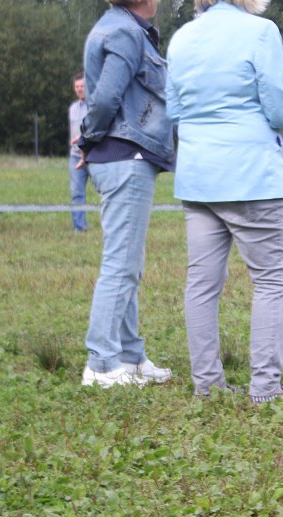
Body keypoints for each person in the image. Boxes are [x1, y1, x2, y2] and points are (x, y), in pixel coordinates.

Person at [166, 0, 283, 403]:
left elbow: (174, 110)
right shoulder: (260, 32)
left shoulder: (182, 38)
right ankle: (265, 389)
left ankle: (207, 387)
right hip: (250, 177)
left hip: (197, 177)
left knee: (202, 285)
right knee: (272, 278)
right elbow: (280, 111)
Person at [79, 0, 175, 388]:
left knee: (128, 263)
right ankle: (101, 364)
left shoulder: (121, 28)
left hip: (124, 154)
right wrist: (88, 137)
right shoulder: (125, 32)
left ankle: (131, 356)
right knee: (121, 264)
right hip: (124, 154)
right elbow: (104, 100)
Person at [68, 72, 89, 232]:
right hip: (76, 156)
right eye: (77, 87)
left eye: (82, 86)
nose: (80, 89)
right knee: (77, 193)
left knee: (106, 193)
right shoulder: (72, 109)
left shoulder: (96, 106)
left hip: (95, 156)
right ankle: (79, 227)